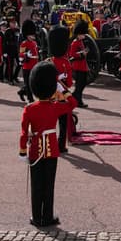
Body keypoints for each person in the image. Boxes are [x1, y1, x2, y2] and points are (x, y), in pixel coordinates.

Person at [19, 61, 76, 228]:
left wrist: (22, 151)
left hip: (35, 150)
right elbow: (73, 103)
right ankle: (48, 216)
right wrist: (60, 88)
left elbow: (23, 132)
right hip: (52, 150)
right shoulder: (55, 107)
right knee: (49, 185)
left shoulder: (29, 109)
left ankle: (37, 217)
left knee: (36, 185)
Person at [69, 20, 91, 108]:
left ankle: (75, 96)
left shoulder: (81, 42)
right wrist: (82, 53)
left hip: (82, 65)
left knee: (82, 83)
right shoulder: (75, 43)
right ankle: (78, 100)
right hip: (78, 66)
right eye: (82, 34)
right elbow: (72, 54)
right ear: (78, 34)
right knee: (80, 84)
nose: (84, 35)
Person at [18, 19, 40, 102]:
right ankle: (30, 99)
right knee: (28, 83)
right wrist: (26, 55)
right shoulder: (24, 43)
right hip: (27, 66)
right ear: (27, 35)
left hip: (34, 65)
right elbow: (21, 55)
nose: (33, 36)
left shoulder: (34, 43)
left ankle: (22, 91)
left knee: (32, 83)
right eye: (31, 34)